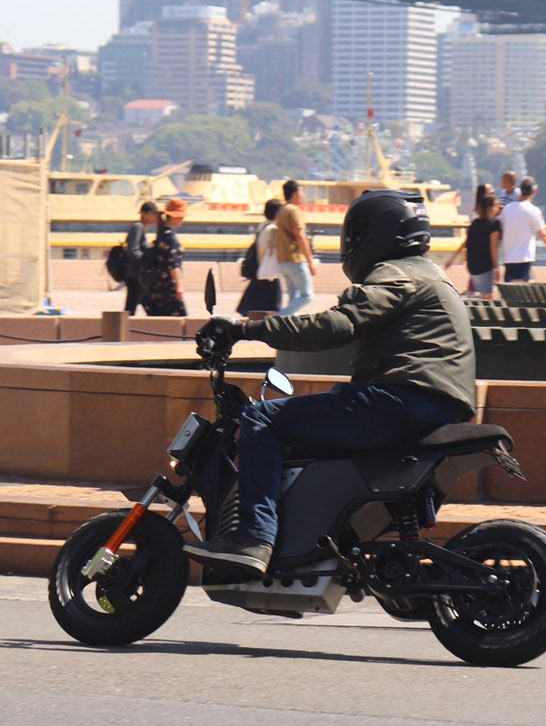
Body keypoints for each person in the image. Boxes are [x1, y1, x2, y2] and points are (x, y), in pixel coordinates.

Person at [192, 190, 476, 577]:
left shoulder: (394, 273)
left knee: (261, 420)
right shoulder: (431, 275)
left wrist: (245, 329)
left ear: (377, 232)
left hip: (397, 400)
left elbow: (336, 325)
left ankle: (254, 538)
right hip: (432, 404)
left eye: (356, 232)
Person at [497, 176, 546, 282]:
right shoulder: (533, 211)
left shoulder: (507, 209)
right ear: (534, 192)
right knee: (520, 288)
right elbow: (544, 235)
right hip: (523, 258)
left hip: (508, 258)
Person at [445, 192, 503, 298]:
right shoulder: (494, 223)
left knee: (484, 293)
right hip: (485, 264)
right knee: (489, 295)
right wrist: (496, 268)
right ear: (491, 208)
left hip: (472, 264)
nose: (498, 208)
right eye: (496, 205)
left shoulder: (475, 223)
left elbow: (466, 242)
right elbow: (493, 246)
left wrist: (452, 259)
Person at [139, 197, 190, 317]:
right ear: (174, 217)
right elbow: (173, 263)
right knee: (178, 321)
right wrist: (179, 285)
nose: (182, 220)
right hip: (167, 287)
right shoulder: (169, 235)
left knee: (160, 319)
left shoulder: (162, 232)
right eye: (181, 217)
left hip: (158, 286)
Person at [236, 198, 284, 318]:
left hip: (260, 269)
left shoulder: (262, 226)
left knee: (255, 302)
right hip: (268, 272)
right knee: (272, 306)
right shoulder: (273, 229)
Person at [275, 197, 316, 316]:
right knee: (307, 296)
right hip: (295, 259)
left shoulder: (281, 210)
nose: (303, 195)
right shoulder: (294, 210)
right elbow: (300, 236)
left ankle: (288, 323)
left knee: (293, 299)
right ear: (295, 193)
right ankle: (279, 318)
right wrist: (310, 260)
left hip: (283, 259)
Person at [122, 200, 159, 314]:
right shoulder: (137, 227)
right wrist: (146, 260)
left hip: (139, 275)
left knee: (137, 307)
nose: (155, 217)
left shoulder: (141, 229)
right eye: (153, 214)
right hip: (135, 276)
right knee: (131, 308)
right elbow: (133, 250)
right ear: (144, 214)